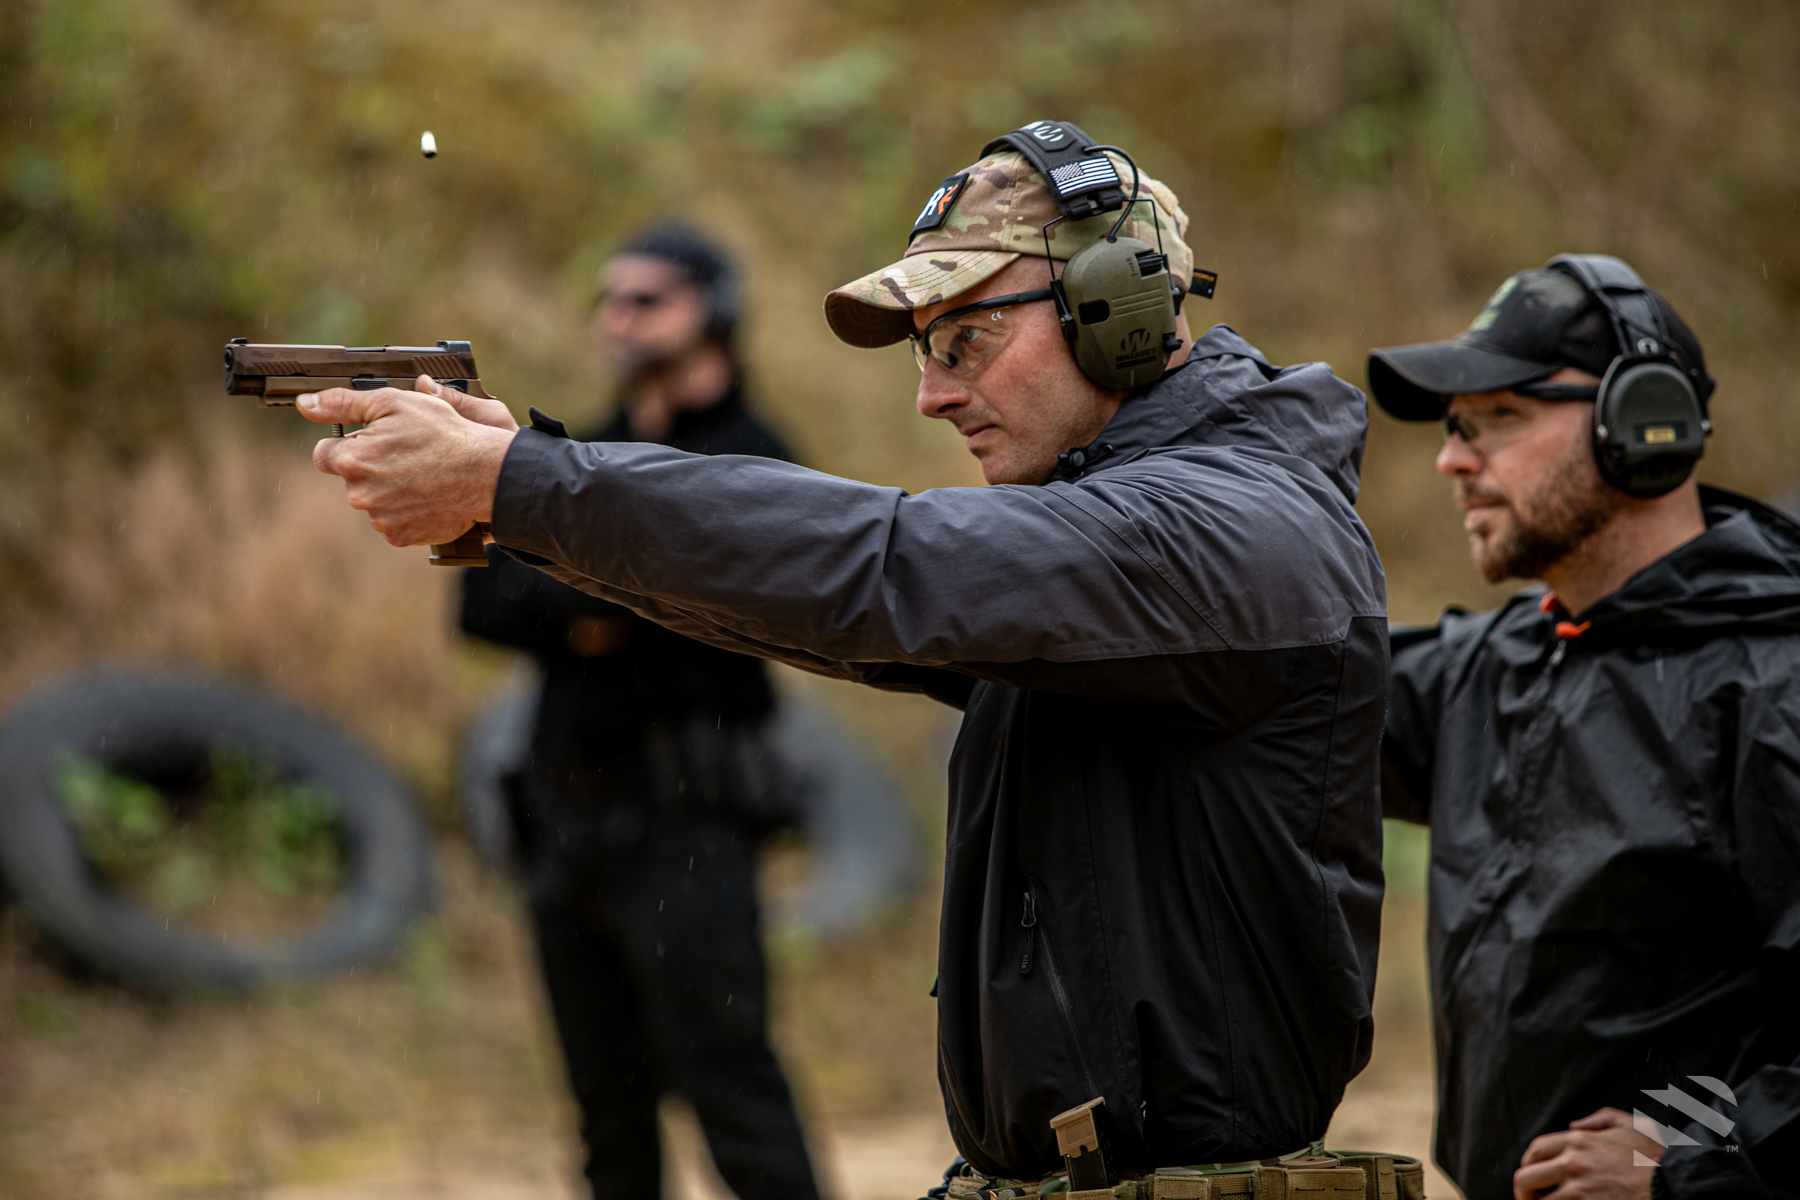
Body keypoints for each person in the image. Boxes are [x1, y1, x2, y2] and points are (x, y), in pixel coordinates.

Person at [296, 124, 1390, 1185]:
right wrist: (526, 499)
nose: (934, 392)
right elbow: (816, 612)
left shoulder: (1222, 529)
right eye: (928, 350)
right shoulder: (1152, 533)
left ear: (1118, 307)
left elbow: (884, 564)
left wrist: (528, 483)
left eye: (966, 339)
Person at [1369, 255, 1800, 1200]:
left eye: (1499, 419)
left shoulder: (1775, 680)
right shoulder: (1492, 664)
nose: (1452, 459)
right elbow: (1260, 699)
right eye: (1453, 428)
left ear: (1645, 422)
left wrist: (1691, 1159)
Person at [459, 225, 821, 1200]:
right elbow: (484, 602)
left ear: (716, 309)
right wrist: (615, 599)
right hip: (567, 824)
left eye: (647, 297)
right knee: (605, 1117)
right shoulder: (577, 450)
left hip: (689, 824)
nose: (618, 316)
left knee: (733, 1093)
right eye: (608, 297)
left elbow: (729, 606)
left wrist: (597, 591)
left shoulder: (755, 453)